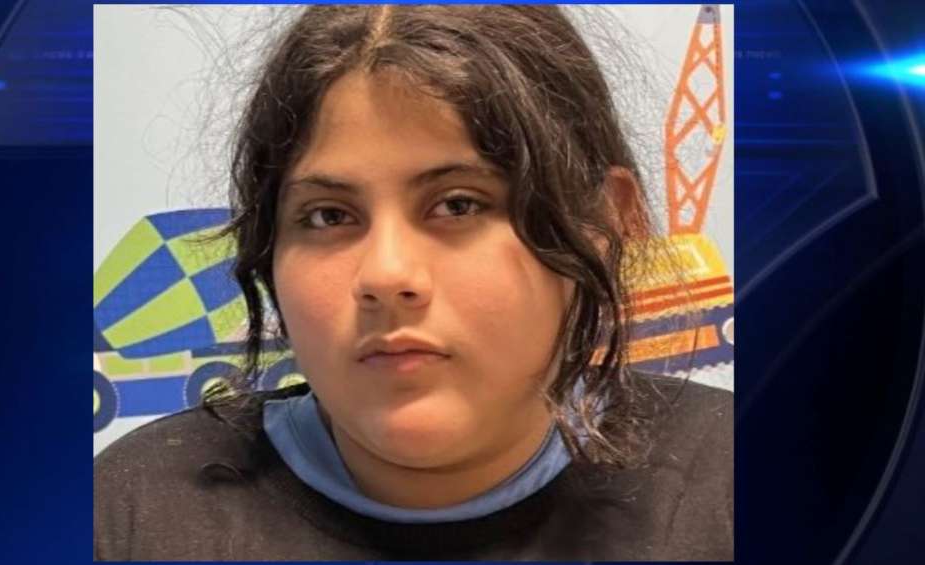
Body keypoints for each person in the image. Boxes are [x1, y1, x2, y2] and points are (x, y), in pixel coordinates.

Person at [93, 5, 733, 560]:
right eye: (328, 216)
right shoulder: (131, 514)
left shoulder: (731, 482)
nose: (386, 274)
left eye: (459, 204)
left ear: (602, 225)